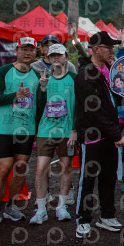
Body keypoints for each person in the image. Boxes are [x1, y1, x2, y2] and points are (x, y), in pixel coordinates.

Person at [74, 31, 124, 239]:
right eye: (108, 47)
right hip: (93, 136)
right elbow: (95, 111)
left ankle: (107, 215)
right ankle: (83, 220)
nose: (111, 51)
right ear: (96, 49)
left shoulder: (108, 70)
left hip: (109, 136)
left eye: (113, 47)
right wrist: (116, 134)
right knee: (87, 180)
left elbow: (115, 100)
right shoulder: (85, 75)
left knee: (109, 177)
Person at [0, 36, 41, 229]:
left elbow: (39, 104)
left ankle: (10, 206)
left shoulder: (36, 75)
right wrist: (15, 96)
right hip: (5, 128)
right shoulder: (4, 71)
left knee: (20, 168)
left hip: (26, 129)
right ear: (16, 51)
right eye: (23, 49)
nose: (27, 53)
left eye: (31, 49)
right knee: (4, 168)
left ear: (35, 53)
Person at [29, 43, 77, 225]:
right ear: (48, 58)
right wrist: (42, 88)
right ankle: (41, 209)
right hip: (45, 130)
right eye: (52, 55)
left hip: (66, 131)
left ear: (66, 57)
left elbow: (79, 105)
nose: (56, 57)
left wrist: (75, 130)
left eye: (59, 54)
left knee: (66, 167)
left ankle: (61, 206)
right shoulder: (44, 79)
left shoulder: (74, 78)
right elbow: (39, 106)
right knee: (40, 168)